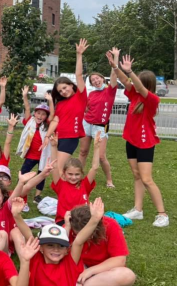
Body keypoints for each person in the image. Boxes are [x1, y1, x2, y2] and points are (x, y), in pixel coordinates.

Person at [109, 50, 169, 227]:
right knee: (136, 176)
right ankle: (138, 209)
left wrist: (129, 72)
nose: (134, 84)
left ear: (146, 84)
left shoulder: (152, 100)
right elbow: (125, 81)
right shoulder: (134, 95)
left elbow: (137, 85)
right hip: (132, 141)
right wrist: (115, 65)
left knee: (146, 179)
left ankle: (162, 214)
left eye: (139, 82)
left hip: (145, 143)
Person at [66, 203, 136, 286]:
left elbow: (119, 260)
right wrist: (67, 229)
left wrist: (91, 271)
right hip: (78, 267)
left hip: (103, 270)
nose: (87, 238)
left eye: (90, 234)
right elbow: (58, 255)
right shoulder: (70, 226)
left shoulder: (110, 224)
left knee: (127, 276)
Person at [45, 39, 90, 172]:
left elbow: (79, 75)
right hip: (58, 137)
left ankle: (67, 191)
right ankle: (64, 190)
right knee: (56, 168)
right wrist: (47, 136)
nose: (63, 92)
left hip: (70, 138)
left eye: (65, 88)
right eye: (60, 91)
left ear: (71, 85)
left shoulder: (80, 96)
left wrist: (79, 55)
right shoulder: (60, 103)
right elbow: (56, 120)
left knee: (58, 168)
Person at [79, 51, 119, 189]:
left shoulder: (110, 91)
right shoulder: (92, 94)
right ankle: (78, 176)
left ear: (102, 78)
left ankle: (109, 179)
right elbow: (86, 108)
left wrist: (114, 61)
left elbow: (114, 75)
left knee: (101, 156)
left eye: (97, 78)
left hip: (100, 127)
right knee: (83, 151)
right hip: (87, 124)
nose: (95, 81)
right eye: (93, 80)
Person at [49, 132, 101, 225]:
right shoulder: (60, 184)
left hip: (83, 221)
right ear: (64, 173)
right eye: (70, 174)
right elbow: (55, 167)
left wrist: (97, 148)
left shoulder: (85, 184)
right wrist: (53, 147)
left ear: (81, 174)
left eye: (77, 174)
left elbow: (95, 168)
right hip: (63, 221)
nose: (73, 177)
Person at [17, 86, 54, 204]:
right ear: (35, 113)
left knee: (41, 174)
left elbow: (53, 115)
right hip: (31, 155)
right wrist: (24, 96)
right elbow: (27, 108)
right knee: (23, 171)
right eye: (38, 113)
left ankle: (37, 195)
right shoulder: (30, 121)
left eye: (43, 114)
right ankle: (20, 190)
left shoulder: (47, 124)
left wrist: (51, 100)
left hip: (43, 155)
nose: (40, 116)